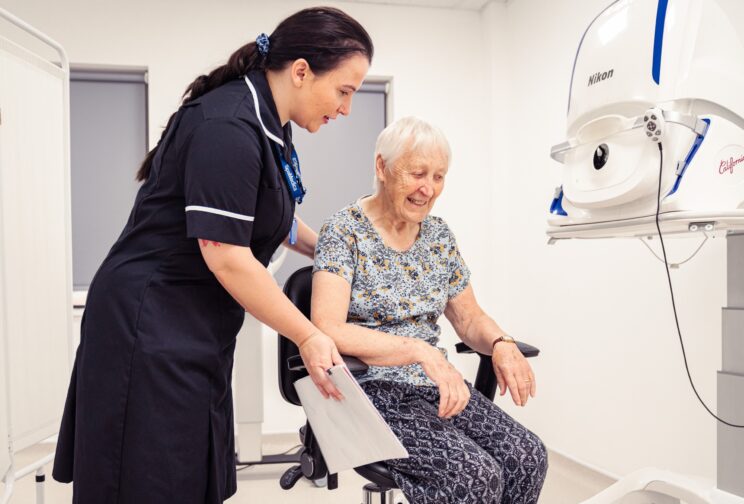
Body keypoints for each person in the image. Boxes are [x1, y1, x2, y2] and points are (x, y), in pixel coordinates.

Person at [52, 7, 373, 503]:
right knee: (148, 481)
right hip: (148, 322)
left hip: (194, 324)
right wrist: (307, 334)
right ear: (302, 71)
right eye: (344, 92)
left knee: (191, 476)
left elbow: (272, 218)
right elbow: (226, 255)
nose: (347, 109)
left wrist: (343, 251)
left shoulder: (272, 125)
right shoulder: (227, 125)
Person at [312, 117, 548, 504]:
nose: (428, 189)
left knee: (528, 457)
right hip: (372, 392)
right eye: (418, 173)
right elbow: (328, 327)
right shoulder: (343, 231)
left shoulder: (439, 236)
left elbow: (469, 317)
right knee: (475, 476)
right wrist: (418, 351)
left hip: (436, 386)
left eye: (439, 177)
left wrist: (501, 342)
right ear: (382, 168)